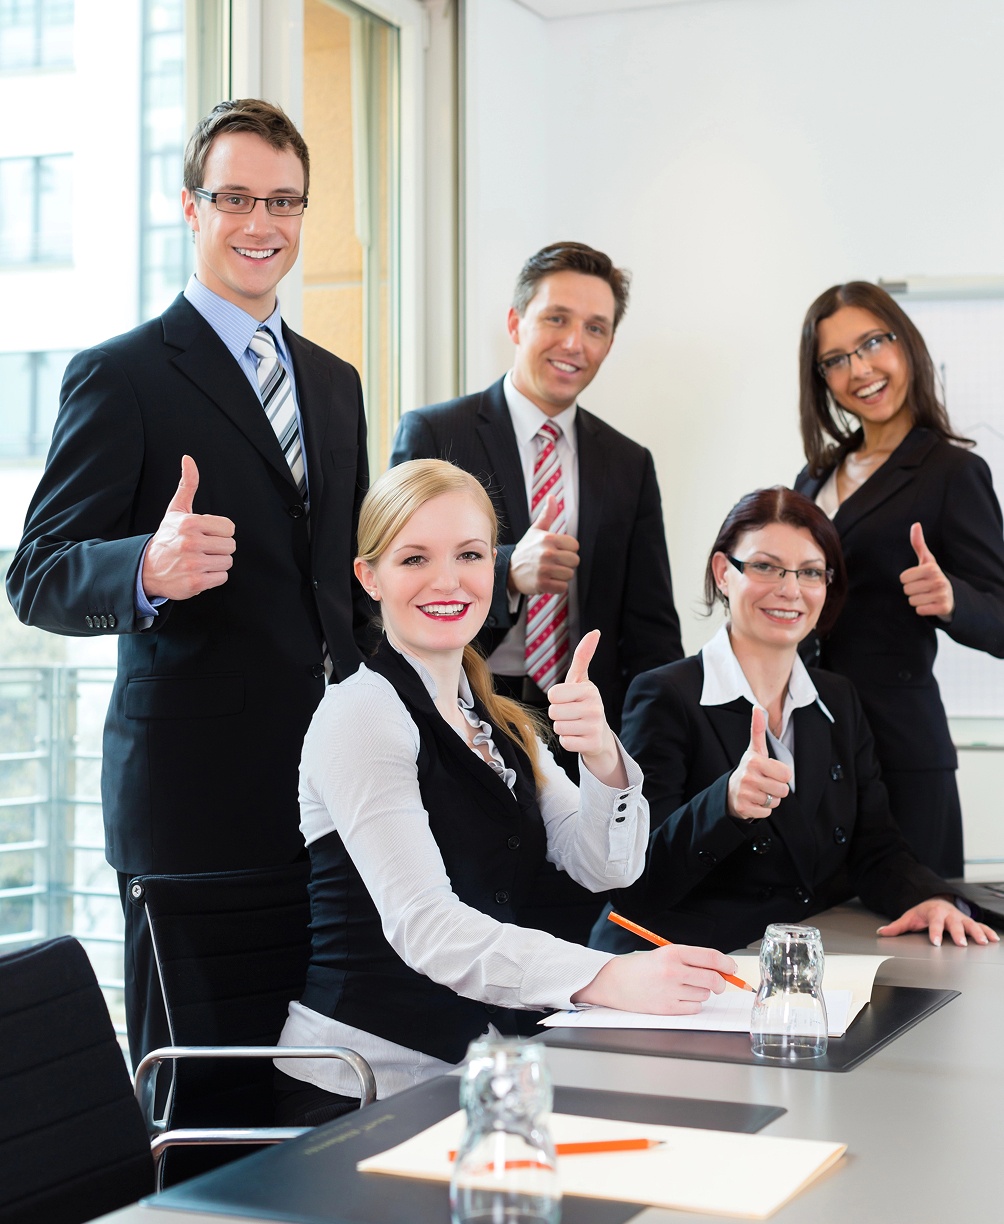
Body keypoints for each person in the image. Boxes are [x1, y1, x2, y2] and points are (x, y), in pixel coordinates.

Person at [5, 99, 370, 1068]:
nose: (262, 224)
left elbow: (342, 582)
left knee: (318, 1083)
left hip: (328, 798)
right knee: (203, 1097)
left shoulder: (335, 384)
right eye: (236, 198)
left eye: (284, 202)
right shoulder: (121, 376)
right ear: (189, 207)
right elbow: (35, 574)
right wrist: (146, 571)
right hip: (194, 813)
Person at [274, 459, 736, 1124]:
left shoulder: (498, 719)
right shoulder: (361, 713)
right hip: (361, 1088)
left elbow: (607, 864)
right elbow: (427, 928)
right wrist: (605, 978)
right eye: (413, 558)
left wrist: (604, 755)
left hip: (474, 1074)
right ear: (368, 577)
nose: (447, 580)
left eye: (469, 554)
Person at [389, 241, 683, 941]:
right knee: (474, 913)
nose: (574, 343)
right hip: (473, 712)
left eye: (596, 327)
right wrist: (504, 573)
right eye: (557, 319)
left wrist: (632, 755)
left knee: (572, 920)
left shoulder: (627, 461)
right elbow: (394, 591)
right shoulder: (439, 431)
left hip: (583, 720)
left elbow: (652, 630)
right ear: (516, 322)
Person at [591, 487, 999, 957]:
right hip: (682, 965)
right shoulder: (665, 694)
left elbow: (876, 847)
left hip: (796, 965)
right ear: (724, 573)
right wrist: (722, 804)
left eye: (810, 572)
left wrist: (930, 898)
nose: (790, 590)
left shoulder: (837, 698)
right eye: (765, 566)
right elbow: (635, 877)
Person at [794, 281, 1004, 878]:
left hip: (901, 755)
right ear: (822, 380)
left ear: (904, 344)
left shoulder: (952, 471)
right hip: (814, 748)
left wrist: (952, 600)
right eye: (836, 360)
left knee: (916, 945)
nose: (859, 369)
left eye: (872, 344)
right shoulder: (816, 475)